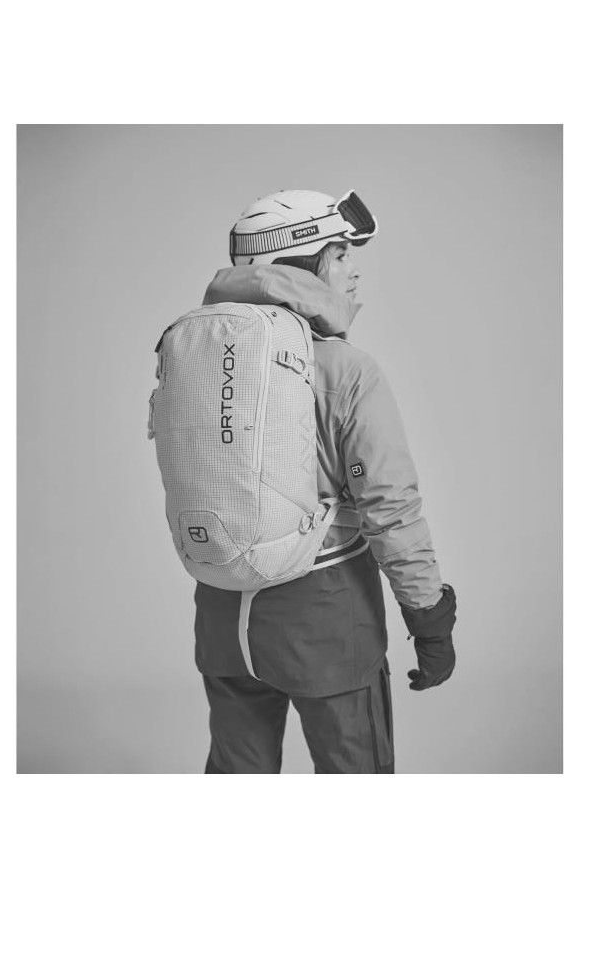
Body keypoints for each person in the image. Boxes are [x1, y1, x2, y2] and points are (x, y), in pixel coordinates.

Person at [195, 188, 457, 773]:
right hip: (324, 617)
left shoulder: (198, 352)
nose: (353, 269)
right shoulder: (345, 368)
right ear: (297, 266)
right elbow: (390, 507)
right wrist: (428, 617)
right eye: (339, 254)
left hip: (221, 613)